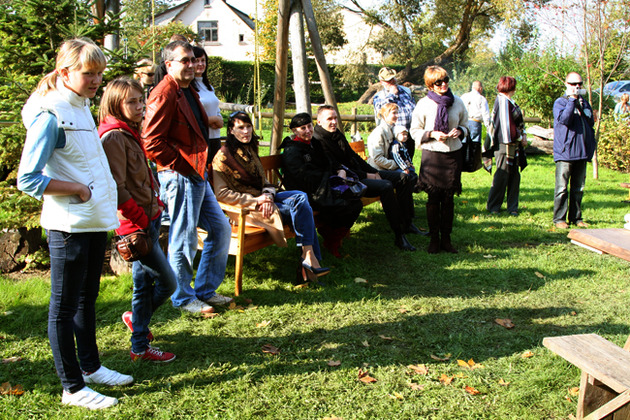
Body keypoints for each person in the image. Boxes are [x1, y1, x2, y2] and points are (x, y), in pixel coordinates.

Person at [17, 38, 133, 410]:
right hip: (68, 225)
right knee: (63, 308)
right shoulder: (51, 114)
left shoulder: (80, 106)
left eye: (100, 73)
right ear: (65, 72)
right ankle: (72, 387)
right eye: (88, 73)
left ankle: (91, 367)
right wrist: (77, 189)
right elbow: (29, 179)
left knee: (87, 299)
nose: (97, 79)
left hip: (92, 221)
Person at [142, 40, 233, 314]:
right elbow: (150, 141)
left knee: (220, 229)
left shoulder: (187, 89)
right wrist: (181, 166)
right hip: (180, 174)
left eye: (193, 60)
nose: (192, 65)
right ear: (169, 64)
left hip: (196, 172)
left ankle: (205, 290)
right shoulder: (164, 93)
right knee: (183, 238)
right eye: (185, 61)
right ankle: (182, 297)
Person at [99, 77, 177, 363]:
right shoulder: (113, 137)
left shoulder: (128, 130)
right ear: (115, 104)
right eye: (131, 101)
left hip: (149, 217)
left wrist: (156, 202)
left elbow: (140, 175)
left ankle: (139, 345)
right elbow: (116, 187)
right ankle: (138, 324)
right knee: (168, 283)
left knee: (143, 286)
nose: (140, 106)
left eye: (141, 99)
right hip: (135, 228)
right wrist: (141, 217)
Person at [213, 112, 330, 283]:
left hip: (264, 200)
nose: (246, 132)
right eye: (240, 128)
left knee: (300, 197)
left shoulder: (250, 150)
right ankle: (310, 261)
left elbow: (265, 182)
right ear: (231, 130)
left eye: (248, 127)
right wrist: (256, 201)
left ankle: (308, 257)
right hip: (245, 209)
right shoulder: (223, 157)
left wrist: (267, 195)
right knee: (300, 208)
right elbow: (222, 194)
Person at [315, 105, 420, 252]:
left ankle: (407, 223)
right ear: (319, 121)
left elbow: (353, 157)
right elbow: (337, 167)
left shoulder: (336, 134)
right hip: (347, 181)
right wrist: (366, 175)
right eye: (329, 119)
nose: (334, 122)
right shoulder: (318, 140)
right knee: (386, 186)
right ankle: (399, 235)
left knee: (404, 177)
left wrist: (373, 171)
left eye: (335, 118)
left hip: (358, 174)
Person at [280, 113, 363, 257]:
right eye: (302, 128)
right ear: (294, 131)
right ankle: (331, 239)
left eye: (309, 126)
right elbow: (303, 178)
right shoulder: (292, 151)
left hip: (323, 187)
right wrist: (329, 179)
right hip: (307, 194)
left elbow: (328, 161)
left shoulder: (314, 143)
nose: (307, 130)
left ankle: (331, 236)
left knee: (355, 201)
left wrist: (339, 171)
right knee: (344, 205)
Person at [410, 66, 468, 254]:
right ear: (430, 85)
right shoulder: (423, 104)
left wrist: (460, 131)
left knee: (448, 199)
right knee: (433, 199)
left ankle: (446, 239)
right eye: (438, 82)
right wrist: (433, 134)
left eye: (446, 80)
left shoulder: (458, 102)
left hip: (452, 155)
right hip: (432, 155)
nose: (444, 84)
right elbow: (414, 131)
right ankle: (434, 239)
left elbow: (466, 126)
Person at [552, 72, 596, 229]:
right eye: (573, 84)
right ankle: (559, 219)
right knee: (561, 188)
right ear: (566, 84)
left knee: (578, 188)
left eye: (580, 84)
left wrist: (583, 106)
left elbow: (590, 121)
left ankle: (576, 217)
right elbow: (565, 120)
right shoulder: (560, 102)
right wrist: (572, 101)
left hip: (582, 152)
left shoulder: (584, 102)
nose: (577, 87)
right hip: (565, 152)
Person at [484, 76, 528, 216]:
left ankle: (512, 207)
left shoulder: (508, 101)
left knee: (514, 176)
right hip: (504, 144)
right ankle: (493, 206)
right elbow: (506, 126)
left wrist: (522, 135)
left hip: (512, 145)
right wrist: (520, 137)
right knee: (502, 175)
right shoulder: (502, 101)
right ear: (511, 87)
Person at [373, 67, 417, 159]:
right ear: (382, 82)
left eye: (393, 78)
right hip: (392, 137)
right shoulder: (379, 96)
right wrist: (392, 95)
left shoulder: (406, 91)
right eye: (389, 80)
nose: (392, 81)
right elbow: (382, 111)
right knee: (396, 164)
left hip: (408, 135)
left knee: (409, 162)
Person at [192, 46, 224, 160]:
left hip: (215, 137)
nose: (200, 64)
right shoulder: (189, 88)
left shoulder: (209, 87)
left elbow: (216, 109)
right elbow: (192, 118)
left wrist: (219, 119)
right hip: (200, 140)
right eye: (197, 61)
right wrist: (213, 119)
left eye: (203, 60)